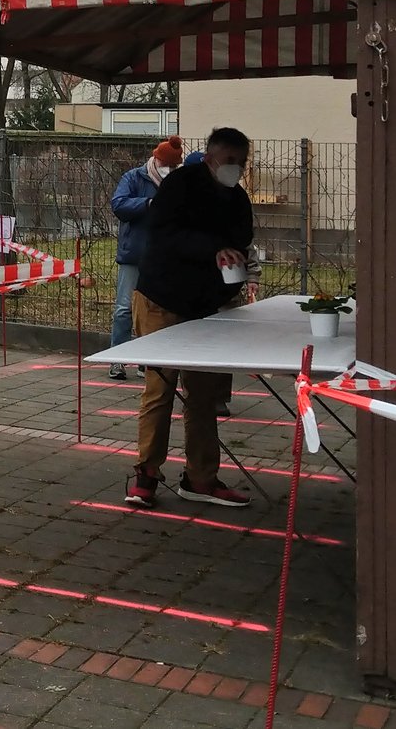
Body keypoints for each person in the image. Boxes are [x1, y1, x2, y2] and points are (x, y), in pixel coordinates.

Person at [125, 127, 255, 509]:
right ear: (212, 157)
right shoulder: (180, 185)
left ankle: (201, 478)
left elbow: (241, 239)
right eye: (229, 161)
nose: (235, 168)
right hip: (160, 298)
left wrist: (233, 267)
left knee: (203, 395)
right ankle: (146, 474)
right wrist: (214, 249)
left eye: (241, 162)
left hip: (204, 306)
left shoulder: (237, 199)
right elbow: (165, 236)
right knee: (160, 388)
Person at [105, 138, 183, 379]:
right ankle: (117, 359)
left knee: (155, 310)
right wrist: (148, 203)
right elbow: (119, 205)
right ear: (156, 159)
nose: (168, 170)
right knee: (124, 309)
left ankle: (147, 359)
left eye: (173, 166)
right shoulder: (135, 177)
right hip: (135, 254)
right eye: (166, 164)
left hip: (163, 258)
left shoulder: (178, 183)